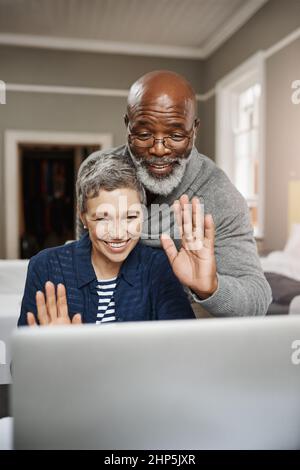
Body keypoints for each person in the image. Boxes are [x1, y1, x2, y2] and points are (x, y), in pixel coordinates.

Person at [77, 70, 272, 317]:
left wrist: (210, 287)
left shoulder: (219, 194)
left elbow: (258, 298)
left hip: (182, 331)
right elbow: (83, 255)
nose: (159, 149)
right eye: (144, 134)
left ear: (194, 129)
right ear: (128, 125)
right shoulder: (95, 173)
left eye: (176, 135)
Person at [18, 153, 195, 326]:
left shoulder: (159, 268)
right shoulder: (45, 267)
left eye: (131, 217)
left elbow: (185, 347)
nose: (118, 234)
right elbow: (23, 354)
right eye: (103, 218)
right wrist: (57, 349)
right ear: (83, 218)